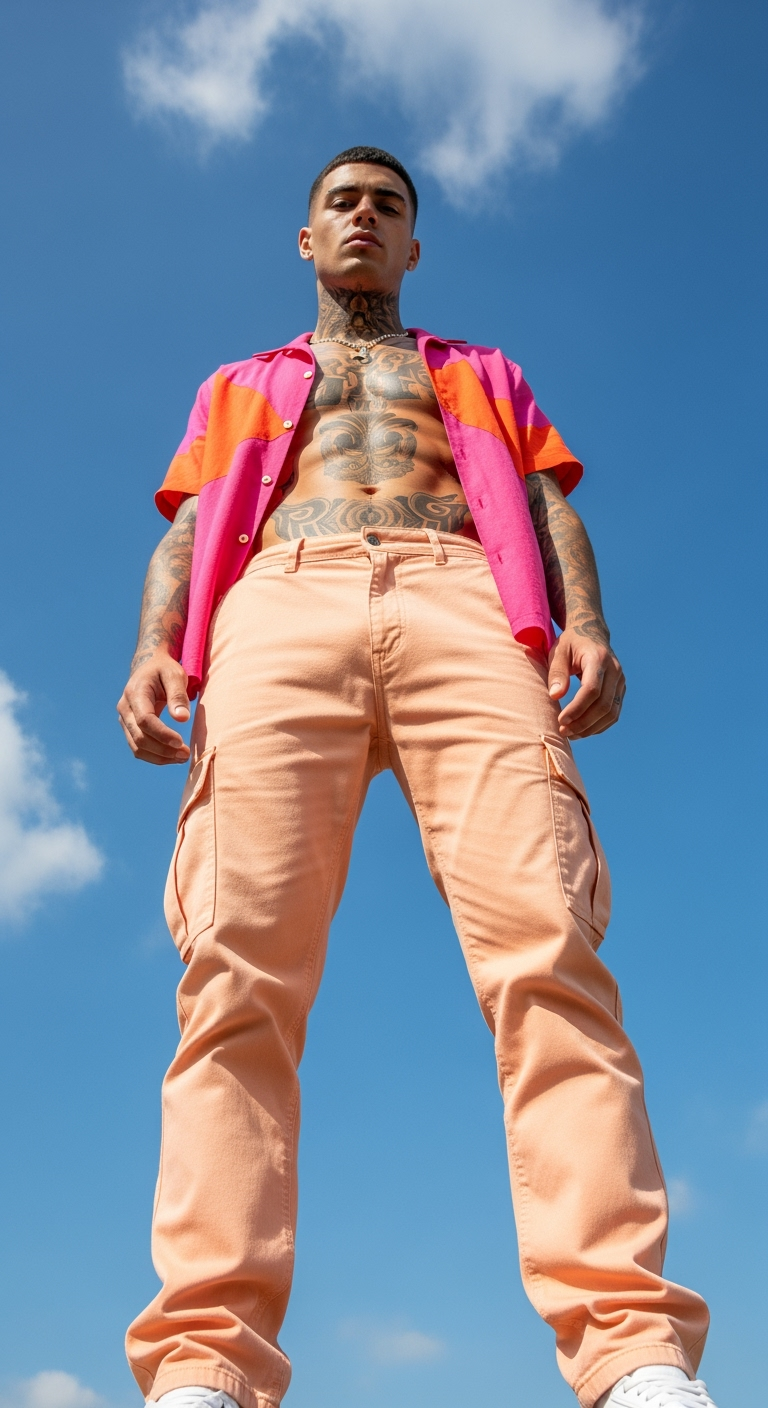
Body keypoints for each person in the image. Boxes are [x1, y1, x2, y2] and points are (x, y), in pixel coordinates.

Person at [117, 147, 716, 1408]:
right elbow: (185, 525)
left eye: (389, 206)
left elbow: (552, 503)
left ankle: (632, 1353)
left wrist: (587, 622)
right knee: (235, 968)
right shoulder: (240, 383)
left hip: (467, 601)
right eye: (343, 202)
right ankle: (204, 1366)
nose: (365, 219)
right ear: (306, 236)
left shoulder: (478, 373)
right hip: (275, 605)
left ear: (414, 245)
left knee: (548, 944)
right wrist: (153, 651)